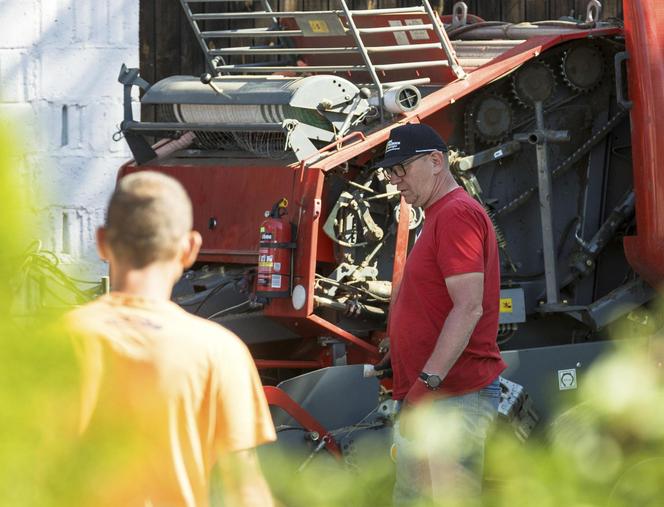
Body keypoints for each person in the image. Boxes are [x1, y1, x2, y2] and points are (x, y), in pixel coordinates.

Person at [64, 171, 276, 507]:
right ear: (190, 248)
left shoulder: (56, 342)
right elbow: (245, 491)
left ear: (102, 242)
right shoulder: (219, 352)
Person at [375, 123, 507, 505]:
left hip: (450, 397)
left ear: (436, 161)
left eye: (401, 168)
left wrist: (427, 382)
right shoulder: (438, 214)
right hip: (440, 397)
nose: (395, 180)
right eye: (390, 171)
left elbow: (468, 307)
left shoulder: (454, 215)